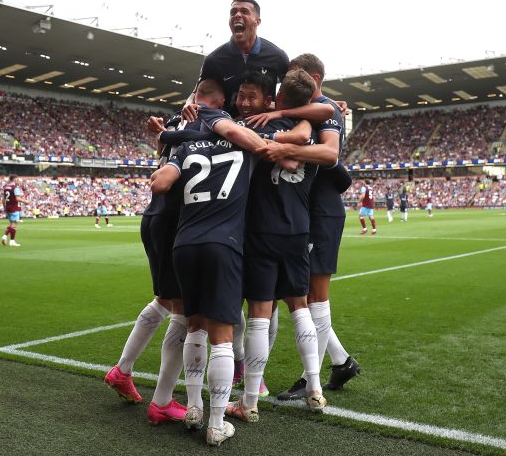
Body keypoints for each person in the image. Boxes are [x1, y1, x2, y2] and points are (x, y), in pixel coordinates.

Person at [149, 90, 278, 447]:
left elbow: (159, 184)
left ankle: (193, 408)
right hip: (223, 244)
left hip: (184, 245)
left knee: (194, 327)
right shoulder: (244, 147)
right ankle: (216, 423)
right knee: (222, 336)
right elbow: (282, 158)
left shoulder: (188, 149)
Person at [105, 80, 225, 426]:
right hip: (177, 218)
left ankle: (123, 371)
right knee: (185, 314)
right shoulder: (209, 123)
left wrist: (164, 132)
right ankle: (161, 401)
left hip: (154, 215)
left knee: (164, 299)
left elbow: (167, 144)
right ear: (217, 103)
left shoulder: (175, 122)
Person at [219, 69, 332, 423]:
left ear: (279, 98)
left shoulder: (258, 129)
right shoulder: (309, 133)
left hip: (262, 231)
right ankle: (315, 387)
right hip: (299, 230)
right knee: (300, 308)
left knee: (259, 316)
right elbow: (320, 131)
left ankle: (249, 400)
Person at [259, 54, 360, 399]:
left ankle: (309, 378)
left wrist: (283, 145)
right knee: (294, 293)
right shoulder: (311, 107)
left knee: (313, 296)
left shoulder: (325, 107)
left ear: (314, 78)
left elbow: (330, 154)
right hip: (302, 208)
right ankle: (341, 360)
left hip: (320, 209)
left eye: (298, 77)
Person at [194, 0, 289, 117]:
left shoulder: (277, 56)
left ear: (257, 21)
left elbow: (292, 94)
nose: (237, 15)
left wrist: (277, 110)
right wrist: (189, 105)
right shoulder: (214, 60)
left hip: (264, 125)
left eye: (244, 11)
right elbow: (200, 93)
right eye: (233, 12)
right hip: (226, 126)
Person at [1, 174, 28, 247]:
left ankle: (11, 240)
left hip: (8, 207)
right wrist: (26, 201)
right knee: (14, 224)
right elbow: (17, 199)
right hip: (14, 207)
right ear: (14, 179)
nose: (18, 180)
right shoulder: (15, 187)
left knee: (11, 223)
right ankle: (6, 237)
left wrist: (4, 207)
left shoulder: (6, 187)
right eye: (17, 179)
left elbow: (3, 199)